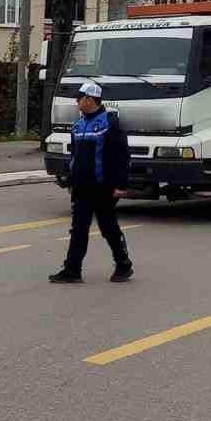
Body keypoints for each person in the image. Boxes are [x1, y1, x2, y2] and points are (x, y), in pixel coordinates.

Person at [51, 80, 134, 284]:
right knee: (78, 229)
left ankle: (124, 265)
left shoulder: (110, 123)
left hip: (103, 187)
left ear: (89, 99)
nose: (77, 101)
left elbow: (122, 156)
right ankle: (72, 270)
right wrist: (71, 179)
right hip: (82, 188)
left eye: (79, 98)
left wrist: (121, 186)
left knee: (108, 227)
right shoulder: (78, 125)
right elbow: (75, 157)